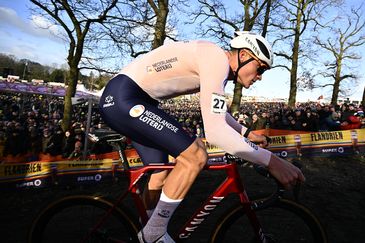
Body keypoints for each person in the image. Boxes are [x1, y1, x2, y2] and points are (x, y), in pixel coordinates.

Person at [99, 31, 305, 243]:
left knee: (160, 172)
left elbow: (215, 109)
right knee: (195, 155)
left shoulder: (214, 62)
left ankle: (147, 229)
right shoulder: (216, 59)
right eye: (260, 68)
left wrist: (245, 133)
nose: (260, 76)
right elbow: (215, 132)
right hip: (125, 99)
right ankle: (153, 235)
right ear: (244, 55)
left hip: (130, 99)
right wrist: (272, 162)